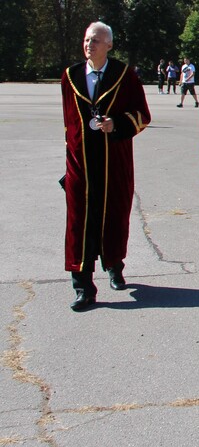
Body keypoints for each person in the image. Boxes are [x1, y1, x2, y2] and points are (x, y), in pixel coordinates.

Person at [61, 22, 151, 311]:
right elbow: (69, 122)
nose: (90, 44)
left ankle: (114, 265)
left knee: (114, 216)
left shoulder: (124, 76)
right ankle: (83, 286)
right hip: (82, 163)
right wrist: (70, 157)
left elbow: (143, 115)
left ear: (109, 45)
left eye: (96, 40)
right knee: (79, 224)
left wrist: (118, 124)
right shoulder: (71, 76)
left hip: (115, 160)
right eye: (87, 39)